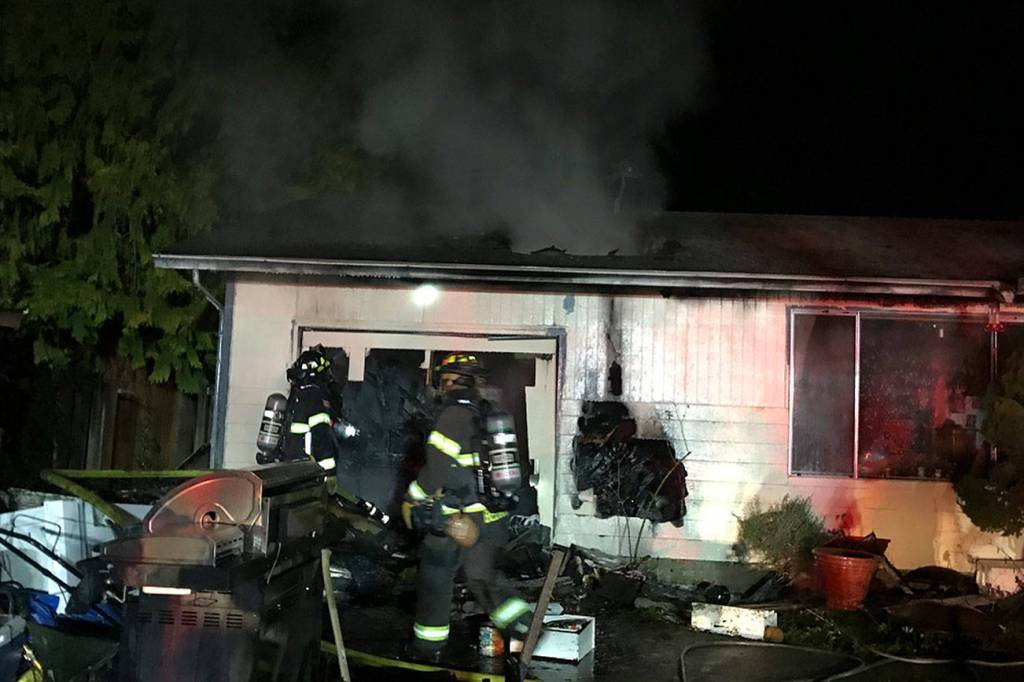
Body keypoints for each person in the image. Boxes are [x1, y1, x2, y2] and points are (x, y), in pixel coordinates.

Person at [403, 353, 532, 661]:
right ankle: (527, 628)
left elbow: (437, 471)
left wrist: (411, 498)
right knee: (481, 577)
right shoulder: (484, 413)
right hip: (492, 517)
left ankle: (426, 649)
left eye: (444, 381)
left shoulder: (451, 417)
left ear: (450, 382)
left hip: (456, 519)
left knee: (435, 576)